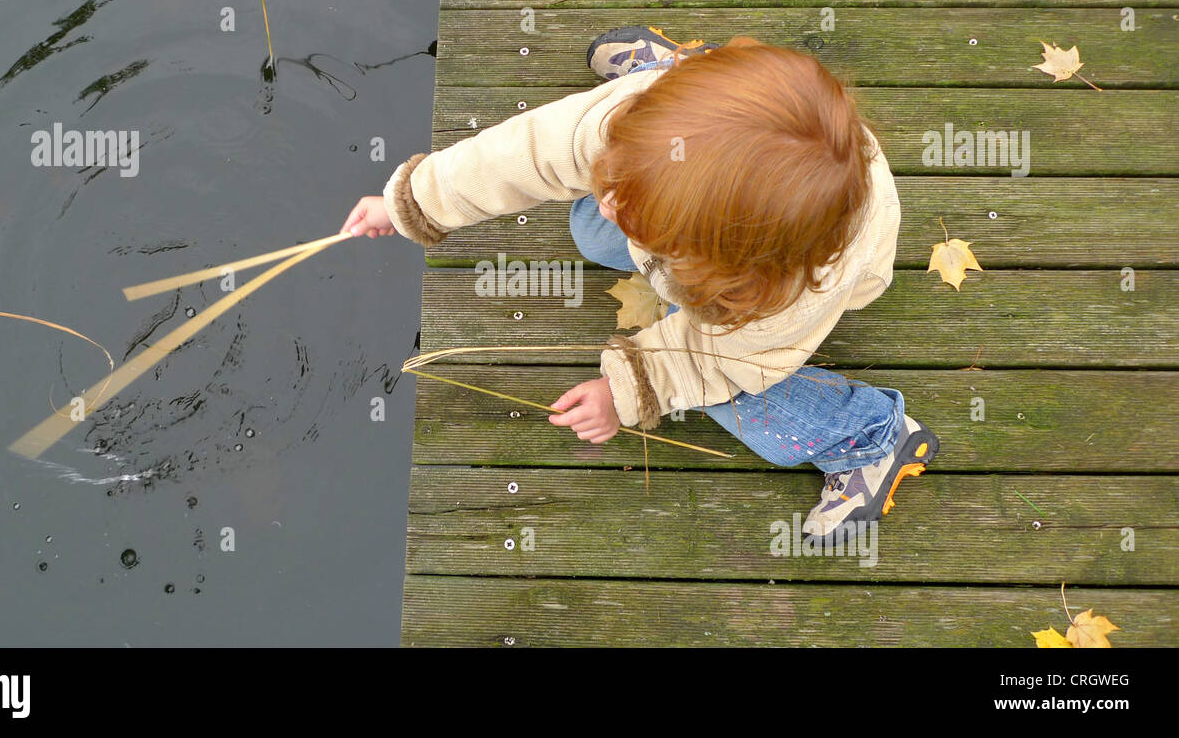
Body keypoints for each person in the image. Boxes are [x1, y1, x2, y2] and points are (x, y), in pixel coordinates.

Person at [341, 27, 939, 543]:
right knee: (591, 228)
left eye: (634, 203)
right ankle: (671, 68)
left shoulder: (782, 293)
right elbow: (528, 153)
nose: (606, 201)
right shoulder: (640, 118)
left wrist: (625, 387)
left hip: (770, 301)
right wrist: (417, 202)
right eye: (617, 182)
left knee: (755, 408)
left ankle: (870, 436)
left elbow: (715, 358)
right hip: (695, 181)